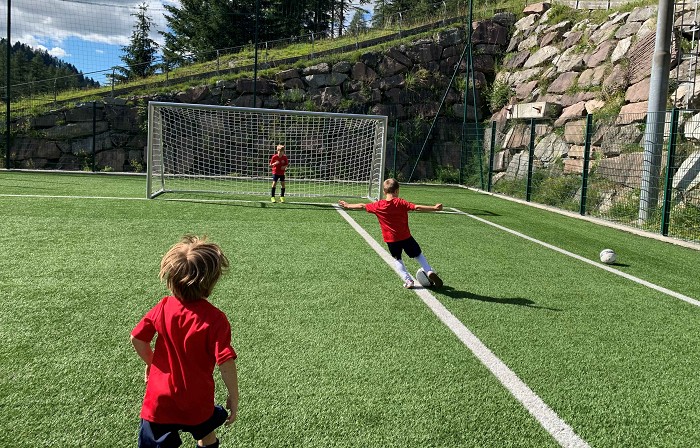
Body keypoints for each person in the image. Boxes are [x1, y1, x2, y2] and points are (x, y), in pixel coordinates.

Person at [131, 235, 239, 448]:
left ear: (170, 278)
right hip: (197, 401)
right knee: (206, 432)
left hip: (160, 402)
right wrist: (233, 396)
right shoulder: (216, 319)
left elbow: (137, 339)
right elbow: (225, 362)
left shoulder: (163, 307)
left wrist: (152, 364)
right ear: (212, 281)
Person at [339, 178, 443, 289]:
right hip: (406, 237)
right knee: (418, 254)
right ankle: (428, 270)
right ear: (397, 191)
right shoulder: (400, 202)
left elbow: (362, 206)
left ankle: (408, 281)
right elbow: (416, 207)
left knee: (397, 259)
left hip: (391, 240)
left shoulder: (378, 205)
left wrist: (348, 205)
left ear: (384, 192)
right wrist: (434, 208)